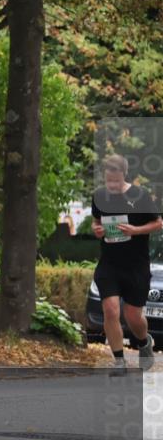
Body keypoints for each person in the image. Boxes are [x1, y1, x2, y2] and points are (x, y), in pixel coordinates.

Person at [91, 154, 160, 373]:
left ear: (124, 175)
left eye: (116, 181)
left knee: (133, 316)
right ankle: (119, 361)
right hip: (109, 264)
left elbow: (158, 223)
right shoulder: (99, 196)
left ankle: (143, 342)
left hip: (136, 265)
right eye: (108, 180)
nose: (112, 185)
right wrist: (97, 230)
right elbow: (95, 221)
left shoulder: (140, 196)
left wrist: (135, 230)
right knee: (110, 310)